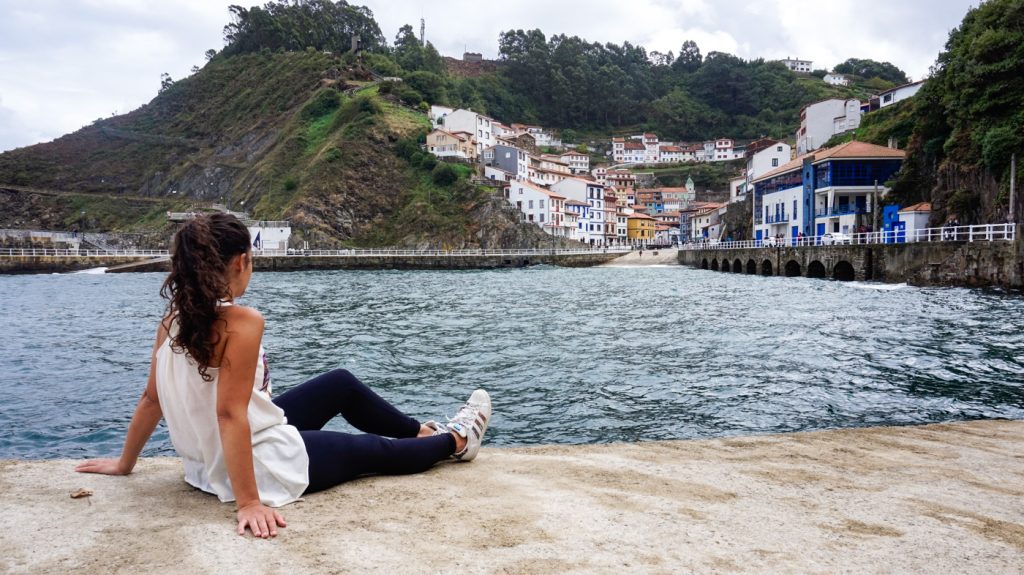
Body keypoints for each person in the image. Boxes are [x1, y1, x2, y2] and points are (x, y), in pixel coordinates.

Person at [76, 213, 492, 538]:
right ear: (241, 262)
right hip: (259, 464)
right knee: (371, 451)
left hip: (205, 463)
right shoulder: (242, 322)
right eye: (251, 262)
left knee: (340, 383)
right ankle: (456, 441)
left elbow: (151, 399)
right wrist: (249, 503)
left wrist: (125, 464)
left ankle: (418, 431)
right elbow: (229, 415)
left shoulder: (172, 321)